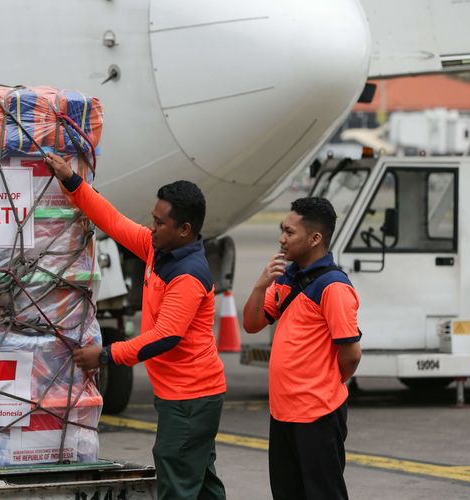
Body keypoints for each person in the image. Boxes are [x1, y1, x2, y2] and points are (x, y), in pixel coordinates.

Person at [44, 152, 227, 500]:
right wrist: (71, 181)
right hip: (188, 395)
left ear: (185, 230)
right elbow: (112, 221)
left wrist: (105, 356)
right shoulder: (157, 249)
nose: (152, 227)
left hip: (190, 398)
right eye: (153, 219)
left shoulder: (188, 275)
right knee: (201, 482)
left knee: (177, 478)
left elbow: (165, 337)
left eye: (160, 222)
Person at [242, 197, 362, 500]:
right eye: (283, 230)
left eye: (290, 232)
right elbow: (252, 323)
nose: (282, 239)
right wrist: (260, 286)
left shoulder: (333, 287)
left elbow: (351, 355)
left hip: (317, 415)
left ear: (315, 238)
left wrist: (323, 384)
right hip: (283, 413)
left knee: (323, 494)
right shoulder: (287, 276)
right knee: (287, 492)